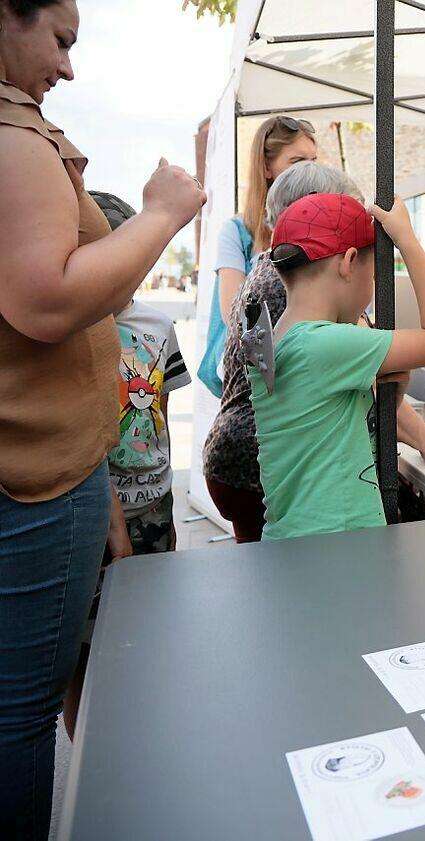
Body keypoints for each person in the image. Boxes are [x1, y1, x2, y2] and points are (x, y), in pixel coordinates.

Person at [0, 1, 204, 836]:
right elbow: (47, 300)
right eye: (59, 39)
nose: (68, 67)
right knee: (23, 712)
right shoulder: (16, 138)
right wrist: (159, 214)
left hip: (56, 475)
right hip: (34, 481)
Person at [203, 161, 425, 542]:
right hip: (337, 543)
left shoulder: (276, 336)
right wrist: (406, 240)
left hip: (294, 535)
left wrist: (394, 392)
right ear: (349, 263)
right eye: (373, 274)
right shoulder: (325, 344)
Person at [63, 191, 192, 739]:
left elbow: (159, 410)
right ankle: (87, 751)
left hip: (153, 505)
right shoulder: (69, 330)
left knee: (145, 634)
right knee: (84, 650)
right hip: (92, 512)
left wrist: (165, 497)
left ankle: (138, 738)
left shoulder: (157, 327)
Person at [199, 115, 317, 395]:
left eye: (314, 161)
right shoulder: (238, 232)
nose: (309, 171)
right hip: (257, 373)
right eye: (297, 162)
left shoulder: (318, 226)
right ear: (266, 167)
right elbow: (233, 313)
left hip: (306, 360)